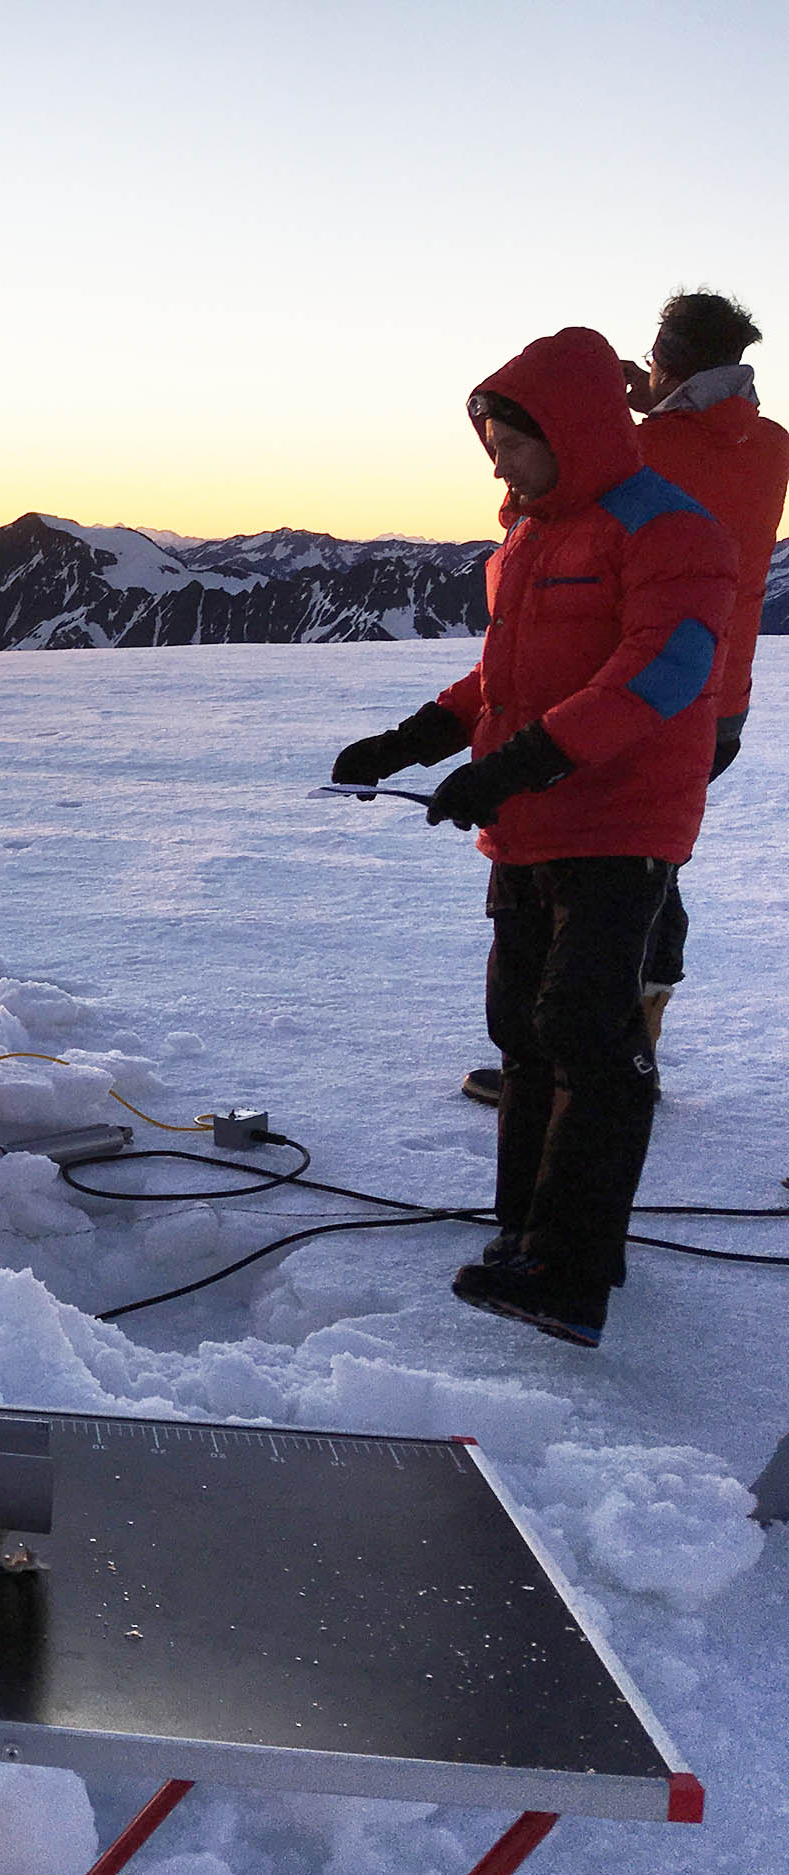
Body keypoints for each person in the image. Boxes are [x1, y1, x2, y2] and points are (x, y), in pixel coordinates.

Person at [331, 328, 738, 1347]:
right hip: (528, 829)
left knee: (588, 1037)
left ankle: (571, 1266)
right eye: (489, 444)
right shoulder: (525, 536)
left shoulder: (670, 531)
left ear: (572, 431)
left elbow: (663, 673)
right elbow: (503, 680)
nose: (496, 463)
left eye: (510, 443)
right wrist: (415, 737)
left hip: (618, 822)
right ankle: (526, 1229)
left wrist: (522, 763)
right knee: (520, 1030)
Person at [462, 294, 787, 1104]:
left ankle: (588, 1065)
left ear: (665, 359)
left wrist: (599, 414)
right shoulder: (772, 445)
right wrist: (649, 404)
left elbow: (535, 512)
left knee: (599, 869)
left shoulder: (646, 449)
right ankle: (633, 1041)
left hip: (613, 689)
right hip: (722, 695)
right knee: (653, 858)